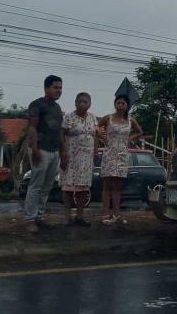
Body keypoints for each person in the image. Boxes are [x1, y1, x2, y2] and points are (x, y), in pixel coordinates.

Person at [24, 75, 64, 234]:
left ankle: (40, 216)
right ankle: (30, 219)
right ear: (47, 88)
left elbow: (59, 131)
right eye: (55, 87)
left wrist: (63, 151)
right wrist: (34, 149)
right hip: (41, 150)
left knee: (47, 186)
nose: (59, 90)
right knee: (36, 185)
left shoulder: (57, 107)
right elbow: (32, 128)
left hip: (54, 151)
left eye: (60, 87)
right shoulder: (36, 105)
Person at [98, 95, 143, 225]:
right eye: (118, 103)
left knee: (118, 187)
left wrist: (129, 139)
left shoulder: (130, 121)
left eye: (123, 103)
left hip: (123, 155)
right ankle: (105, 214)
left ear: (127, 106)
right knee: (107, 185)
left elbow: (140, 131)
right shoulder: (108, 118)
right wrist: (103, 137)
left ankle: (117, 214)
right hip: (109, 154)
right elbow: (96, 127)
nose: (120, 105)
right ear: (115, 104)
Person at [60, 92, 97, 227]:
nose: (82, 103)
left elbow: (96, 135)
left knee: (83, 189)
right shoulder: (69, 117)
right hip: (71, 156)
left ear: (90, 103)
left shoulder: (93, 118)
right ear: (75, 102)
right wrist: (63, 152)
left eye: (85, 101)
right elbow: (62, 134)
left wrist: (96, 151)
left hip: (87, 158)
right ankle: (67, 217)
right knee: (68, 188)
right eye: (79, 101)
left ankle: (79, 217)